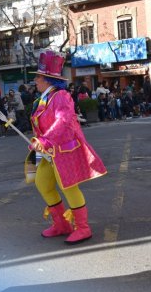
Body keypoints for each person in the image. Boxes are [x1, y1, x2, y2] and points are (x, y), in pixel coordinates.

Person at [28, 50, 107, 244]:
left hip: (64, 149)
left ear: (47, 79)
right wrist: (39, 143)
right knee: (42, 183)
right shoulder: (45, 98)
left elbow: (62, 121)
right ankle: (62, 224)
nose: (35, 80)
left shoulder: (61, 96)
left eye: (38, 77)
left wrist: (45, 140)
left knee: (69, 187)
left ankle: (83, 228)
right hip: (48, 151)